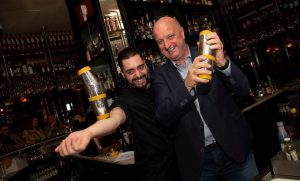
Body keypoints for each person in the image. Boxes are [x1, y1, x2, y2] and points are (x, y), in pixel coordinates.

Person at [152, 16, 258, 181]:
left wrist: (223, 63)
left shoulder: (207, 52)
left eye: (170, 36)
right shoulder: (159, 76)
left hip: (234, 149)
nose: (166, 45)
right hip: (199, 164)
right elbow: (163, 116)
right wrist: (186, 85)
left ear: (182, 33)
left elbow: (244, 89)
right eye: (160, 41)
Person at [55, 48, 180, 181]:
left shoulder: (160, 85)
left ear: (145, 64)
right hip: (155, 172)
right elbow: (114, 119)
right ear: (122, 73)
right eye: (130, 71)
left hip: (182, 164)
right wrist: (88, 133)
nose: (138, 74)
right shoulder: (125, 100)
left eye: (140, 67)